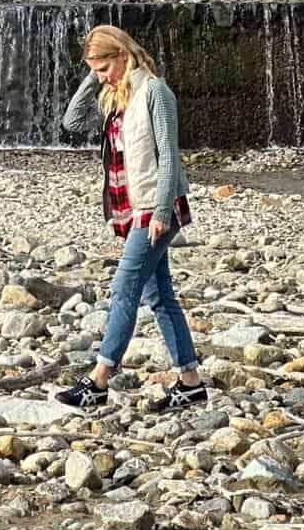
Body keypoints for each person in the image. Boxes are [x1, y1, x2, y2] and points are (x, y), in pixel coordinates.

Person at [55, 24, 205, 410]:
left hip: (155, 210)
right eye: (96, 71)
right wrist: (94, 76)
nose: (102, 76)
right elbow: (72, 122)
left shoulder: (155, 91)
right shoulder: (115, 96)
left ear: (123, 55)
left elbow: (169, 156)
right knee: (160, 296)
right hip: (130, 209)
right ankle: (190, 382)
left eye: (105, 67)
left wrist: (161, 212)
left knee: (124, 289)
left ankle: (99, 380)